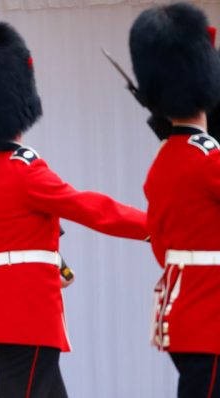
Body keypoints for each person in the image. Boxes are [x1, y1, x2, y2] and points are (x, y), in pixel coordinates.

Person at [0, 21, 149, 397]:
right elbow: (90, 208)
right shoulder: (26, 171)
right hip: (27, 315)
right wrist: (156, 225)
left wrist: (51, 263)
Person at [128, 3, 220, 397]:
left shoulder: (164, 161)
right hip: (211, 316)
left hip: (183, 313)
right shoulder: (207, 158)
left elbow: (161, 239)